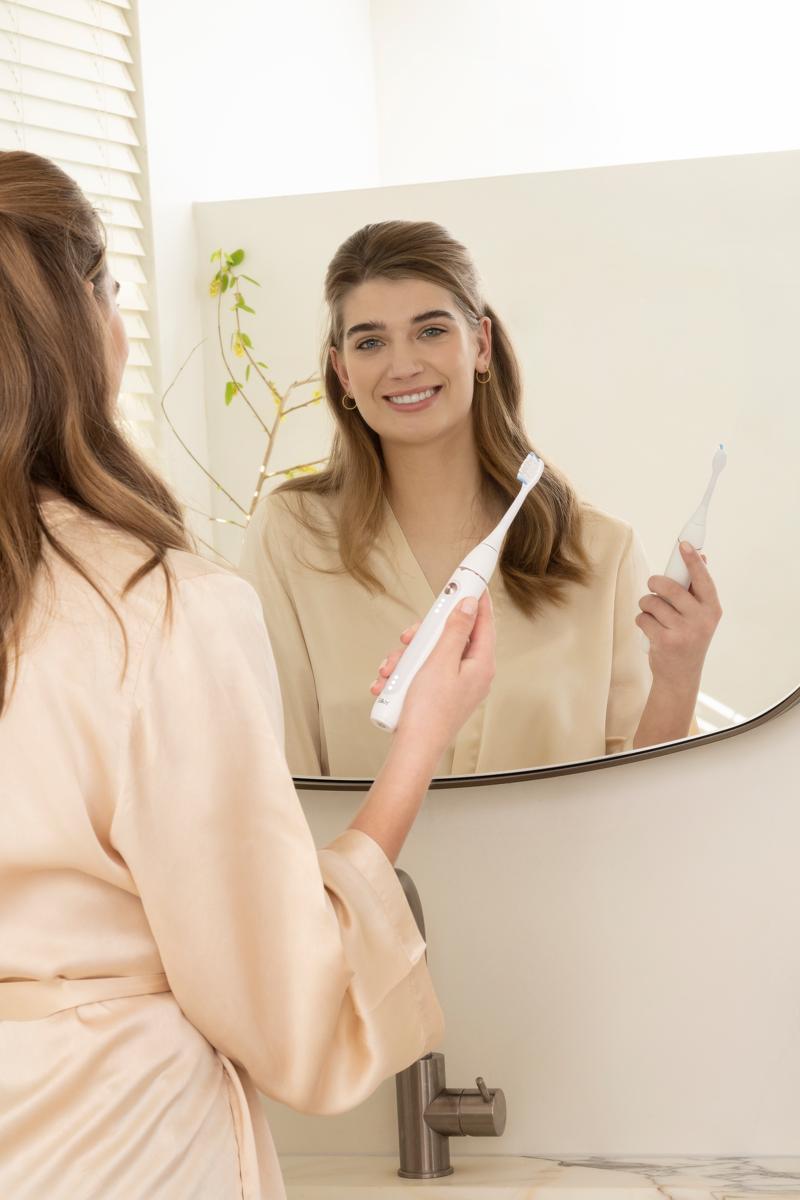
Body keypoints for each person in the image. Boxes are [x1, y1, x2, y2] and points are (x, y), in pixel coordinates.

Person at [0, 152, 495, 1199]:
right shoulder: (157, 607)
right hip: (115, 1145)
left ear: (481, 342)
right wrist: (419, 744)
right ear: (84, 319)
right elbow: (283, 1001)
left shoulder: (591, 542)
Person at [241, 220, 722, 778]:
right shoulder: (292, 536)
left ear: (482, 345)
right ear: (343, 372)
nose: (403, 366)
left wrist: (679, 674)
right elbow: (277, 775)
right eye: (370, 342)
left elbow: (643, 791)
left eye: (431, 331)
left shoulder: (600, 551)